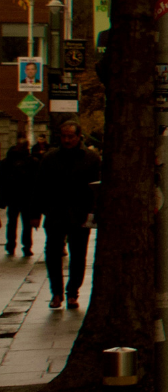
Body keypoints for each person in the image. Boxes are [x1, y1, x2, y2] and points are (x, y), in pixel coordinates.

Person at [37, 122, 97, 310]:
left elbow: (96, 187)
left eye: (71, 136)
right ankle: (56, 293)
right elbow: (39, 186)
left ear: (79, 137)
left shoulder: (91, 158)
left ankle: (72, 293)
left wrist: (93, 213)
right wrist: (36, 213)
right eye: (64, 136)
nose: (67, 140)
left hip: (79, 214)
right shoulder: (50, 158)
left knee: (78, 255)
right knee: (52, 254)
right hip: (55, 213)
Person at [0, 139, 34, 261]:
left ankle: (10, 245)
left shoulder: (6, 161)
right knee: (26, 224)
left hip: (12, 197)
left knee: (12, 222)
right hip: (25, 197)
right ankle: (27, 247)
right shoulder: (30, 161)